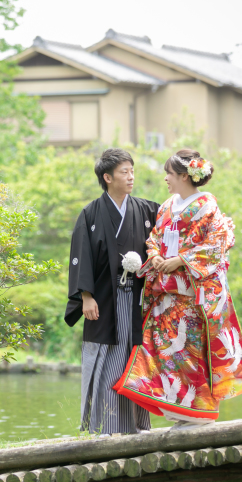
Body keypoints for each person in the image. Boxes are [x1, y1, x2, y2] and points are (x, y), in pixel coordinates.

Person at [114, 149, 242, 431]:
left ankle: (197, 413)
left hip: (190, 295)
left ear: (184, 175)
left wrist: (180, 260)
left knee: (189, 353)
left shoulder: (207, 205)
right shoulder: (168, 205)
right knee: (164, 352)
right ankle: (180, 412)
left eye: (169, 174)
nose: (166, 179)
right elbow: (155, 236)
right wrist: (156, 255)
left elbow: (217, 243)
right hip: (165, 294)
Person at [65, 148, 160, 435]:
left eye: (132, 171)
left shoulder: (147, 210)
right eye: (124, 172)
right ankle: (106, 428)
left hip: (138, 302)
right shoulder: (91, 213)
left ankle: (137, 427)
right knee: (106, 362)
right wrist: (86, 296)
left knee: (136, 360)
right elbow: (80, 256)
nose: (131, 177)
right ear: (107, 177)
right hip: (104, 302)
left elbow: (163, 243)